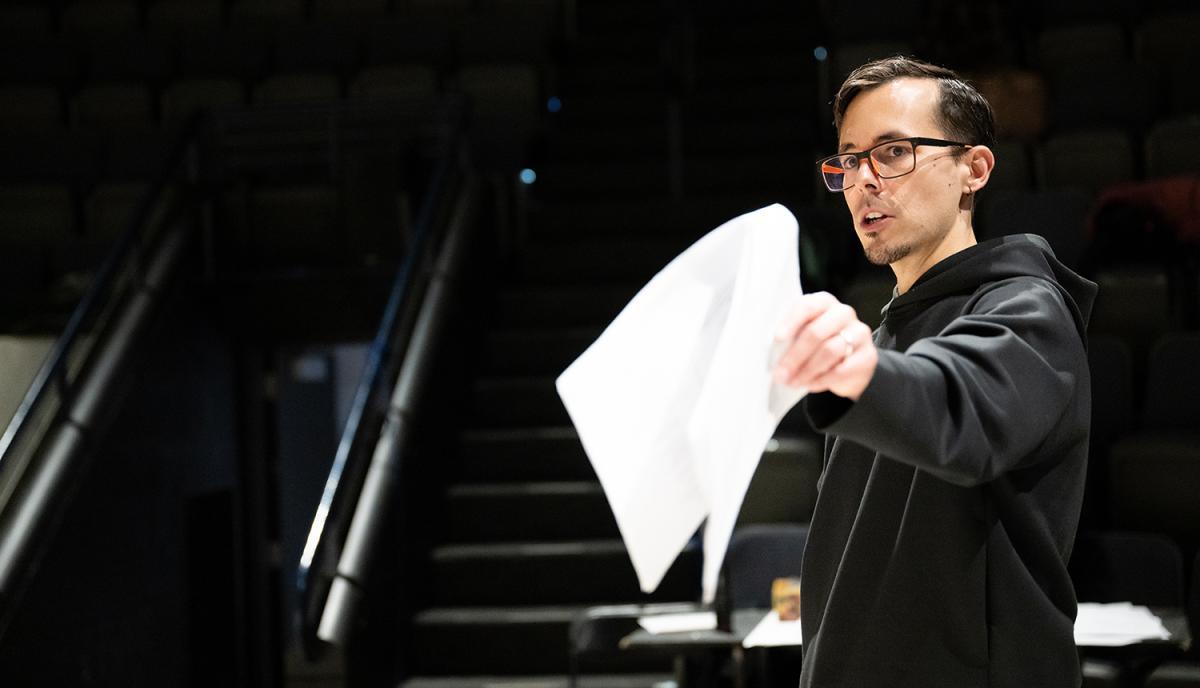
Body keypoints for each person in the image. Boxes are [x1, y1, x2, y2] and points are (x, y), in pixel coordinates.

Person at [771, 56, 1097, 687]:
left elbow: (960, 413)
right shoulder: (883, 337)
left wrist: (856, 369)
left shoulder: (1027, 309)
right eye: (849, 160)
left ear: (972, 170)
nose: (864, 180)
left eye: (893, 152)